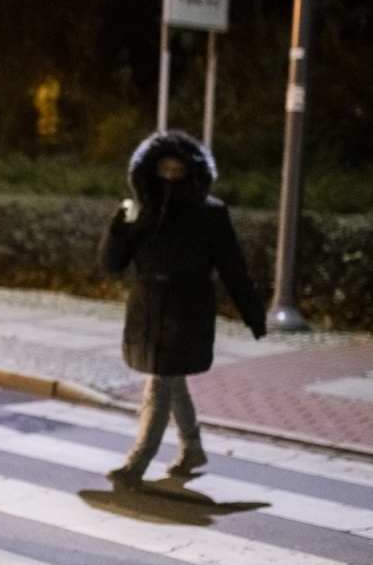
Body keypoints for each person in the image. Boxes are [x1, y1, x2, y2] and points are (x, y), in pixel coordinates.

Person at [98, 130, 265, 488]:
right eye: (164, 169)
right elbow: (112, 264)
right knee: (170, 380)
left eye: (179, 169)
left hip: (187, 307)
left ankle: (136, 464)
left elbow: (232, 266)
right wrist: (118, 226)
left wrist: (252, 312)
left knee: (159, 382)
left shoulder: (210, 213)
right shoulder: (143, 209)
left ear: (193, 172)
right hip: (146, 305)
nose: (171, 176)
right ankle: (192, 449)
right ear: (149, 171)